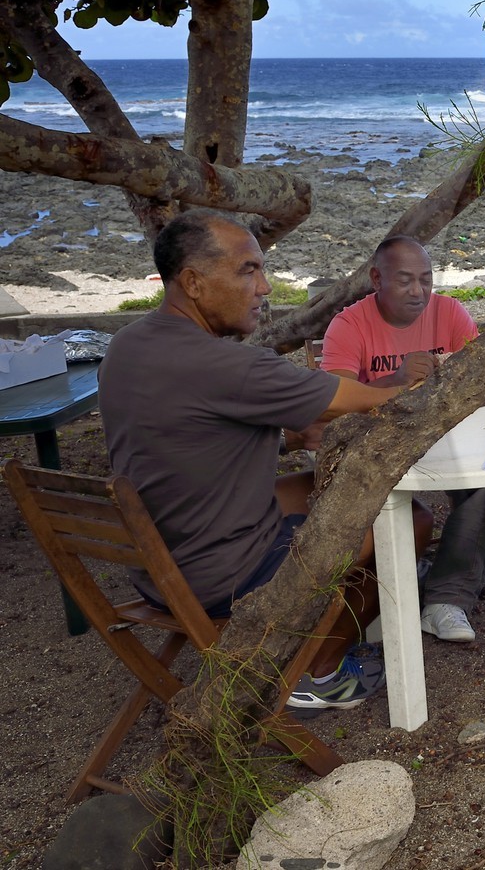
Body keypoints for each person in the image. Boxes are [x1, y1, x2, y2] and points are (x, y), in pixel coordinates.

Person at [99, 211, 433, 711]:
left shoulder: (126, 345)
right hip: (221, 573)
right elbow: (375, 400)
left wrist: (288, 439)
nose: (265, 286)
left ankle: (322, 637)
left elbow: (187, 436)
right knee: (407, 521)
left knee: (324, 485)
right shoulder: (230, 366)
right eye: (247, 271)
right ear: (193, 282)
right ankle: (317, 670)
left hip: (158, 565)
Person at [318, 235, 485, 644]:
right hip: (374, 444)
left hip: (443, 434)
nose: (419, 292)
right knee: (400, 508)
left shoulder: (450, 312)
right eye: (405, 281)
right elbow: (333, 401)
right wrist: (396, 379)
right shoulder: (349, 325)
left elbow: (478, 377)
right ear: (376, 278)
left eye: (426, 280)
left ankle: (445, 601)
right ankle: (401, 574)